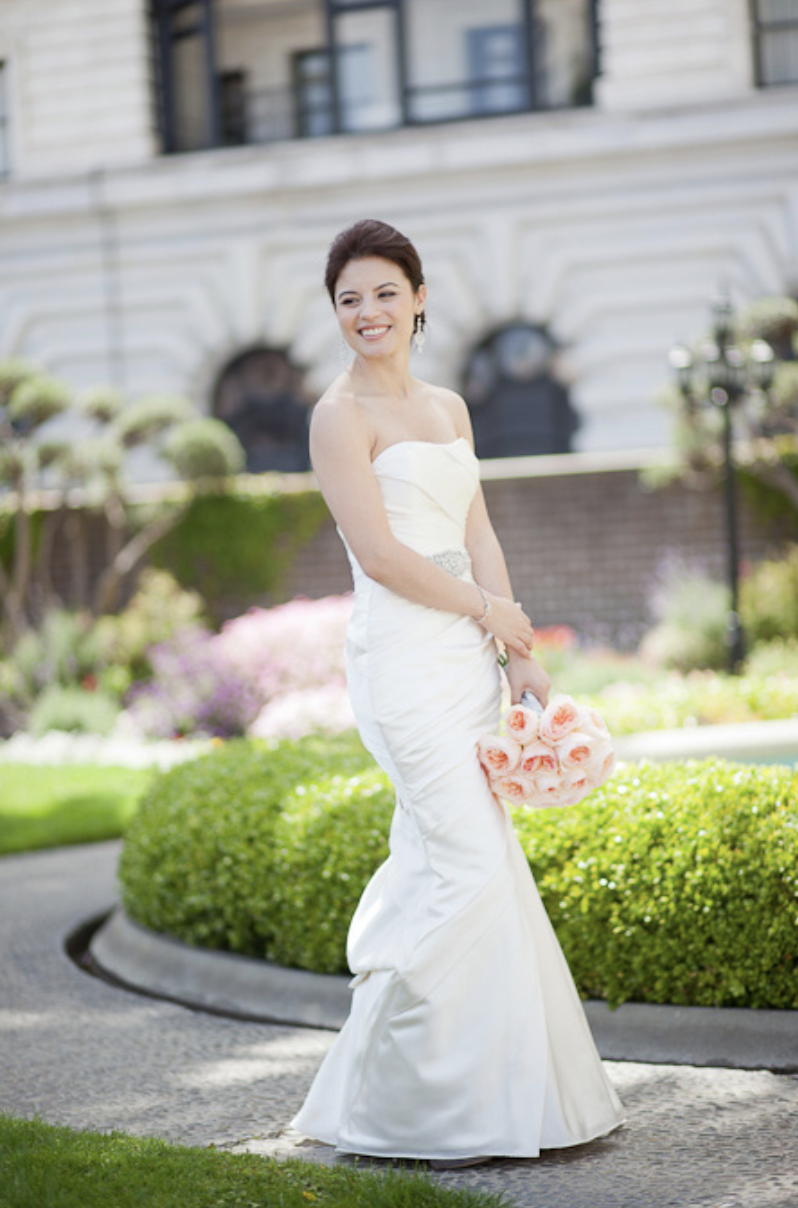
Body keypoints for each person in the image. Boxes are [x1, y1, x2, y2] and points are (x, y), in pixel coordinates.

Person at [291, 219, 624, 1167]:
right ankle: (421, 1110)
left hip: (471, 656)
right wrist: (486, 608)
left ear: (419, 297)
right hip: (401, 660)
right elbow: (383, 555)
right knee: (467, 863)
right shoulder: (337, 415)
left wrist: (512, 645)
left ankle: (503, 1099)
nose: (368, 312)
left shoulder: (448, 408)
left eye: (384, 293)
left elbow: (477, 528)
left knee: (474, 863)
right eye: (349, 298)